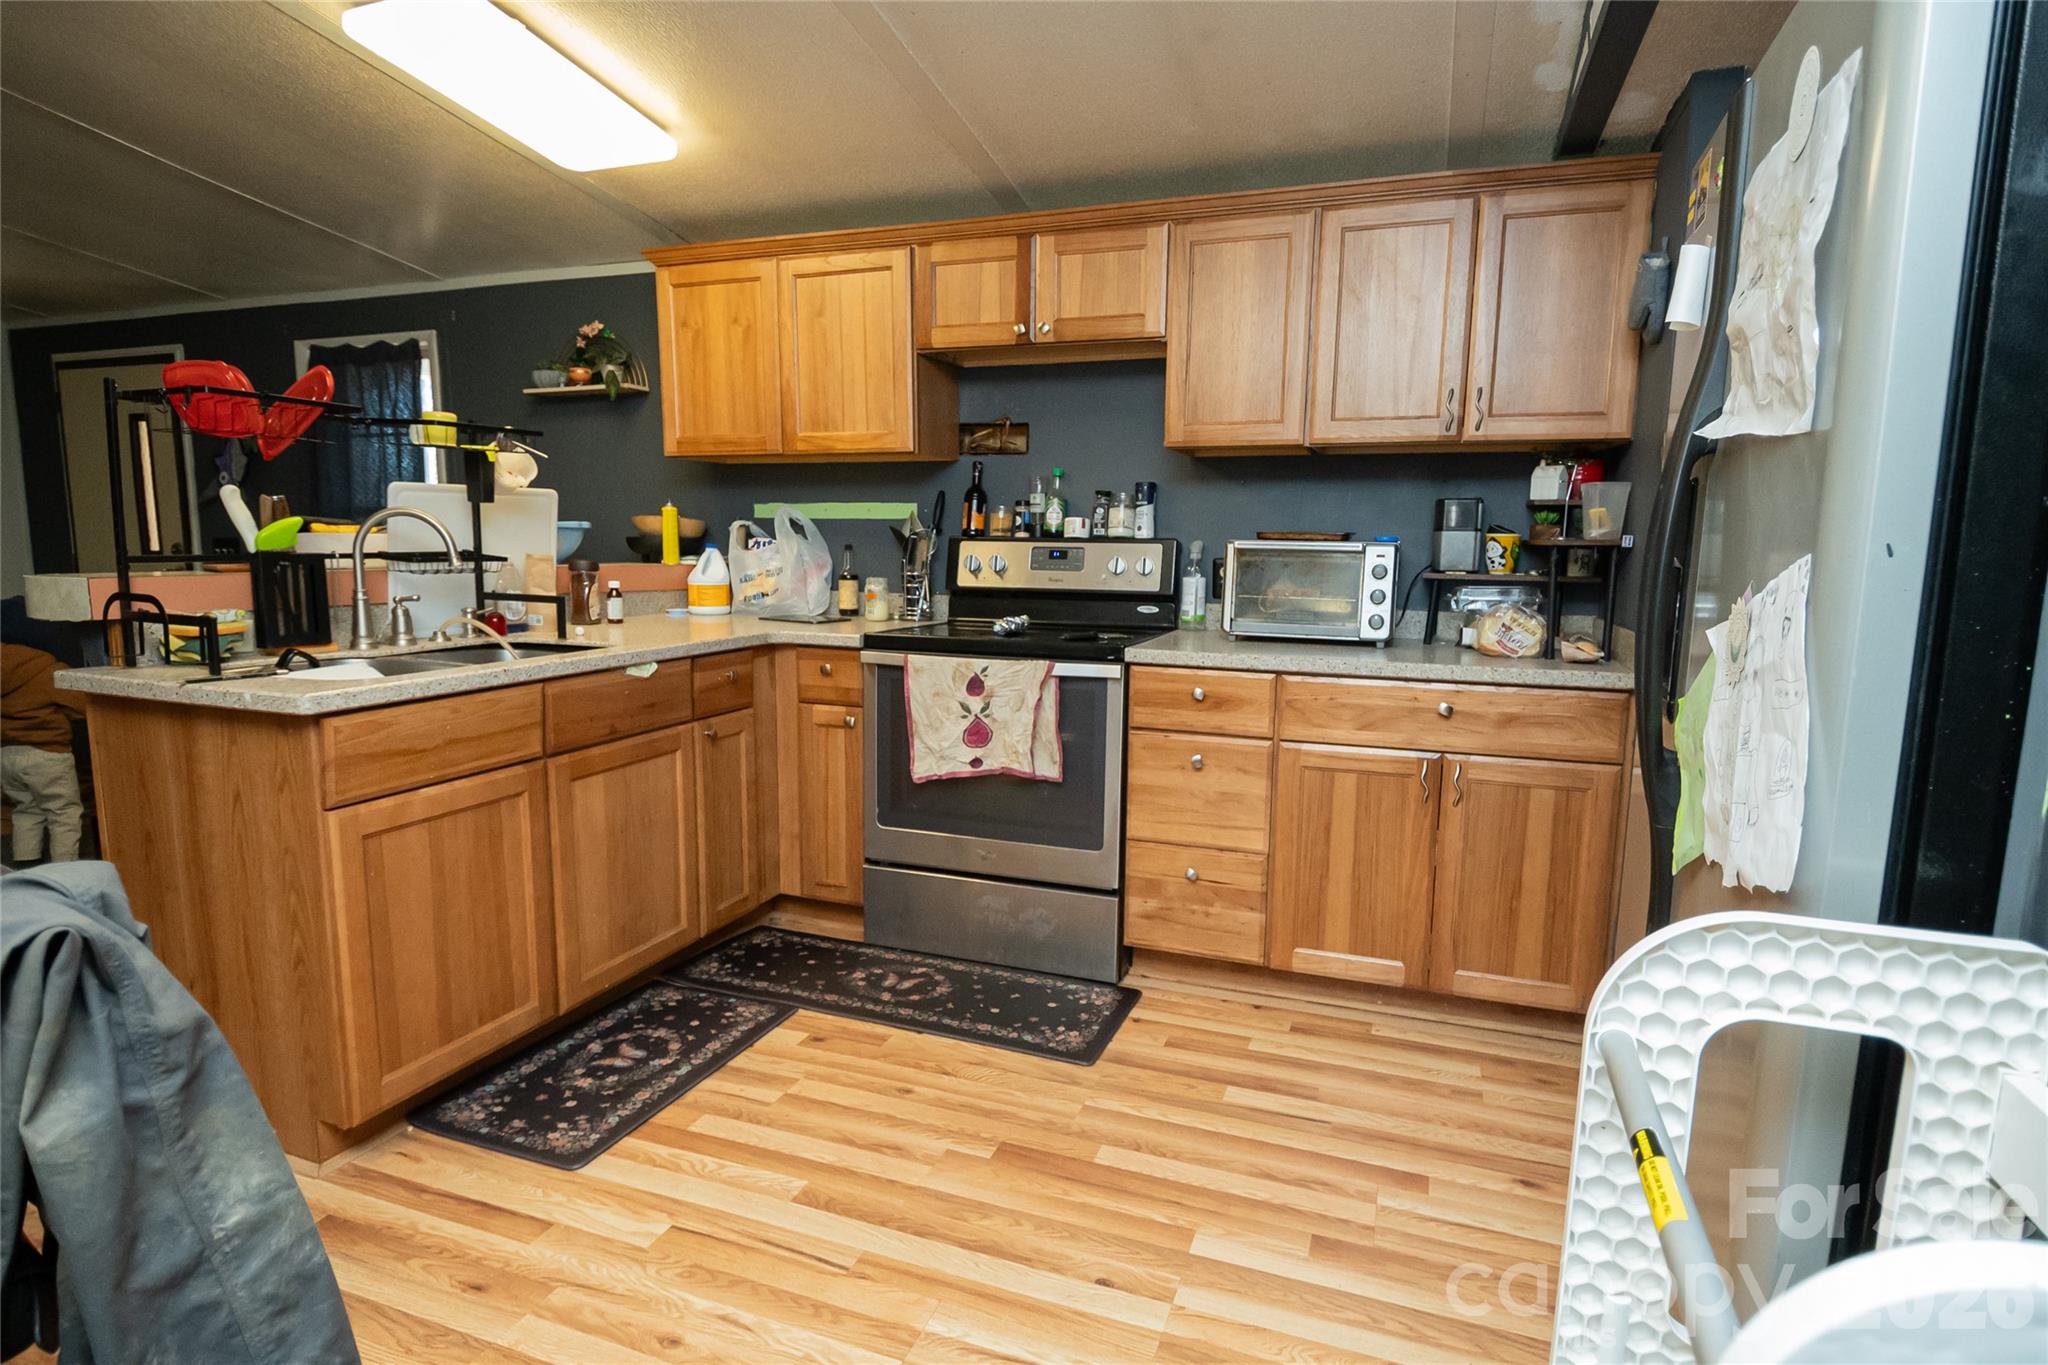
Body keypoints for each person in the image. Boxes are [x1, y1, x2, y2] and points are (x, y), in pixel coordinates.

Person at [1, 643, 83, 864]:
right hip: (48, 754)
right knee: (63, 814)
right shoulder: (45, 672)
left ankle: (26, 868)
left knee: (26, 810)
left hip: (7, 755)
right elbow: (81, 708)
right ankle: (65, 873)